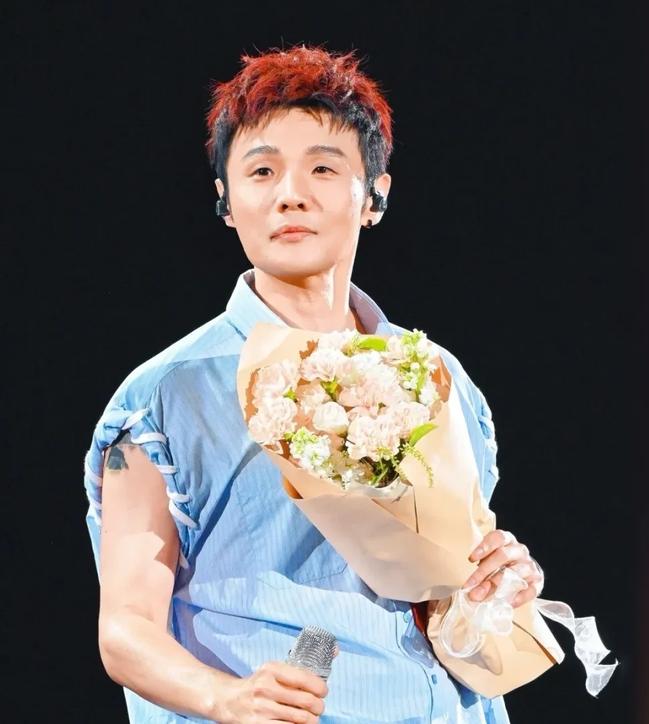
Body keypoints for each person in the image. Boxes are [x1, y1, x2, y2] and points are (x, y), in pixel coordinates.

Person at [83, 46, 542, 723]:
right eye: (261, 170)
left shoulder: (439, 379)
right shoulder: (169, 396)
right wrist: (226, 697)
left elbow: (449, 592)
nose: (290, 193)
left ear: (375, 194)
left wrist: (498, 581)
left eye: (323, 168)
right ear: (226, 201)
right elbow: (125, 629)